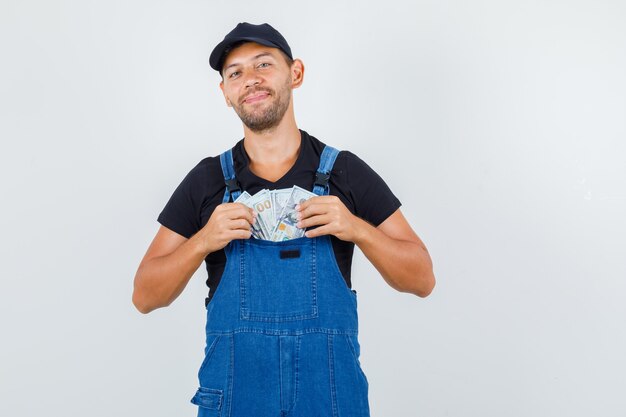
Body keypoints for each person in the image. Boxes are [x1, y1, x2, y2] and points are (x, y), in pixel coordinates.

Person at [133, 22, 435, 417]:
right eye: (235, 72)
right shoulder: (207, 179)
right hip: (236, 400)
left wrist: (355, 228)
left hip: (329, 399)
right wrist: (203, 240)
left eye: (263, 64)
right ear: (224, 92)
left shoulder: (344, 172)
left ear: (296, 74)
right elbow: (144, 295)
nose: (250, 80)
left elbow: (422, 278)